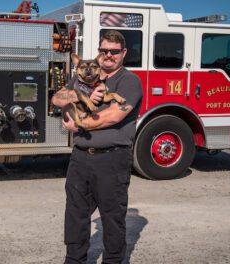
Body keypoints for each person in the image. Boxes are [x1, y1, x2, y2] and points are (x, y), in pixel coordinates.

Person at [52, 30, 143, 264]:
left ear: (123, 53)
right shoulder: (86, 76)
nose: (108, 55)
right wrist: (76, 97)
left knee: (112, 217)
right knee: (75, 215)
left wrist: (78, 125)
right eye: (104, 51)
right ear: (98, 53)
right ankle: (74, 260)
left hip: (112, 160)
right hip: (80, 158)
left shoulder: (129, 81)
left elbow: (112, 116)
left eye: (114, 51)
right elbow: (57, 98)